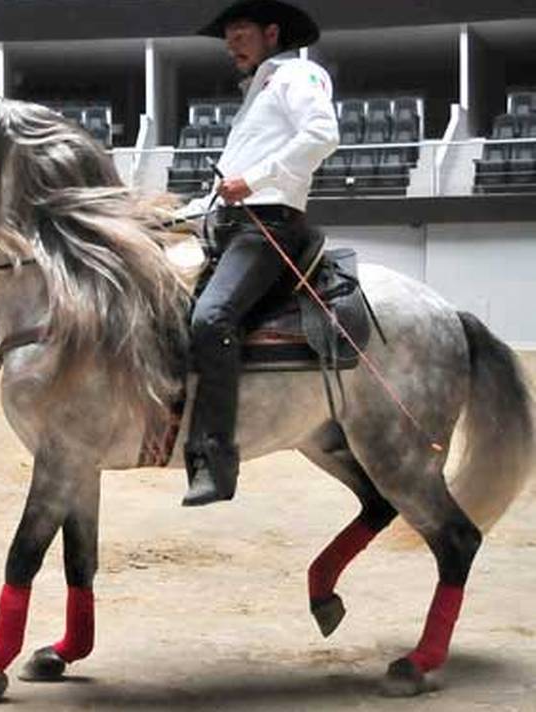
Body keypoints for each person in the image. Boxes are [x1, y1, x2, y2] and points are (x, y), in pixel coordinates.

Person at [174, 0, 339, 506]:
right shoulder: (258, 93)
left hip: (266, 229)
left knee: (211, 317)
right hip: (229, 226)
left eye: (240, 30)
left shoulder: (299, 74)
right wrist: (173, 217)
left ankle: (215, 460)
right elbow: (226, 187)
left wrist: (258, 179)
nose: (231, 41)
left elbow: (323, 135)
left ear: (272, 33)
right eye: (228, 34)